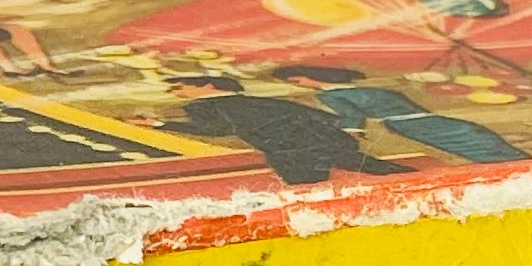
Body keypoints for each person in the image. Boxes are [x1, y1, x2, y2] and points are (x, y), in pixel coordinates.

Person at [164, 69, 395, 187]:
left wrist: (162, 124)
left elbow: (216, 130)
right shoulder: (257, 101)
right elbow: (315, 115)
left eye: (179, 87)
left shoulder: (211, 106)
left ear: (207, 85)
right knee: (372, 168)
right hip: (321, 143)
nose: (176, 92)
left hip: (293, 152)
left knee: (308, 190)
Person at [270, 62, 522, 163]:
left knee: (469, 138)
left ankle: (511, 162)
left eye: (297, 81)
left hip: (416, 123)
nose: (300, 85)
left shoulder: (332, 93)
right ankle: (513, 161)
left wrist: (350, 135)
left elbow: (353, 115)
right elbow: (360, 114)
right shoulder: (352, 91)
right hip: (419, 121)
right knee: (471, 137)